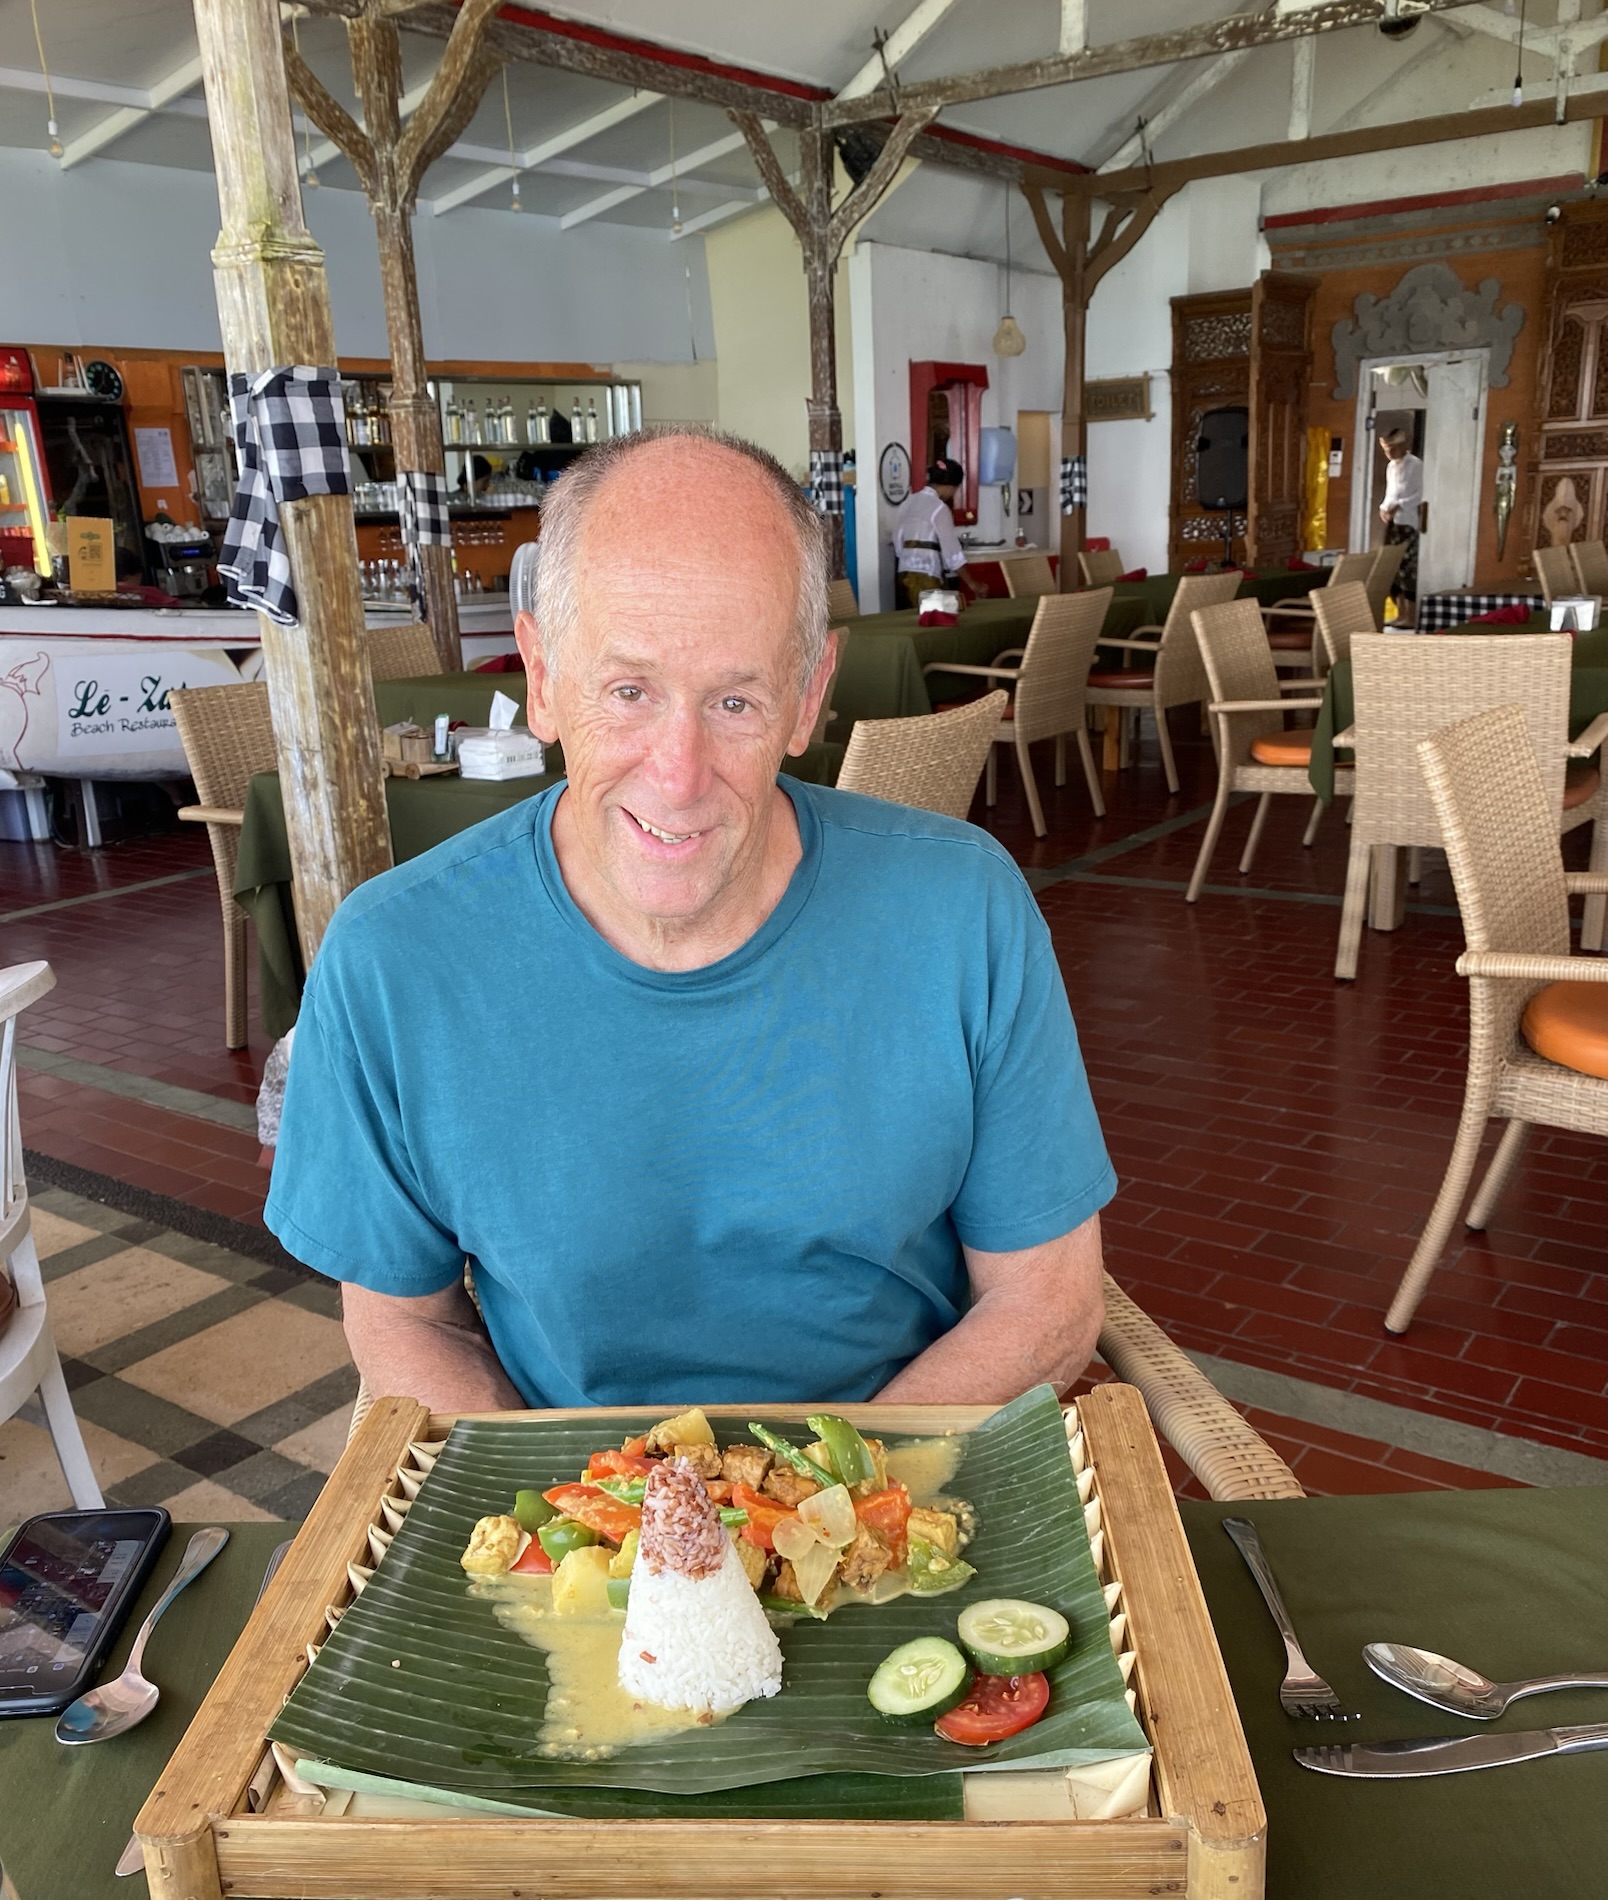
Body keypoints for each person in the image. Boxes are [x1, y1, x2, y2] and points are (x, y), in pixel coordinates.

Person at [266, 428, 1114, 1413]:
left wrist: (839, 1487)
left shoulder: (965, 910)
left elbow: (1049, 1297)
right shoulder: (391, 958)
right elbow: (404, 1321)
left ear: (809, 695)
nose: (678, 775)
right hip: (568, 1486)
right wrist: (552, 1495)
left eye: (735, 701)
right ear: (541, 678)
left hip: (903, 1462)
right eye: (629, 691)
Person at [894, 457, 971, 610]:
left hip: (903, 575)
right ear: (951, 486)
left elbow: (898, 543)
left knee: (909, 619)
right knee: (935, 619)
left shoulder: (907, 503)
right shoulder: (940, 508)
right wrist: (972, 583)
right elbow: (953, 555)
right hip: (927, 576)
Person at [1378, 428, 1424, 622]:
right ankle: (1400, 613)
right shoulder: (1391, 467)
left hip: (1409, 524)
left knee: (1407, 570)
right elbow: (1390, 493)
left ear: (1403, 445)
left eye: (1393, 449)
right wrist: (1383, 508)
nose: (1390, 453)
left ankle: (1411, 615)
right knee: (1392, 569)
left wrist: (1400, 506)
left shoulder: (1416, 465)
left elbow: (1420, 494)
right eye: (1386, 450)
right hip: (1393, 525)